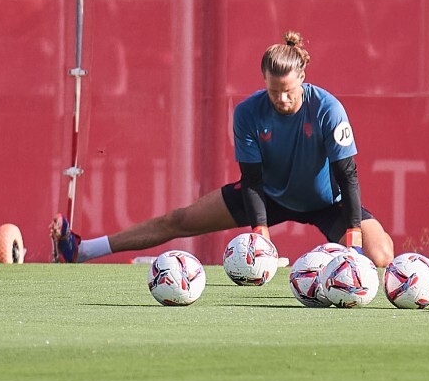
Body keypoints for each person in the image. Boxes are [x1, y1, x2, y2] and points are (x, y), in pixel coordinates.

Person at [50, 31, 394, 267]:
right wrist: (260, 234)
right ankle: (80, 250)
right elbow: (253, 180)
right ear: (264, 81)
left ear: (302, 77)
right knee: (179, 219)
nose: (281, 98)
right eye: (274, 91)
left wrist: (352, 240)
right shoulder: (247, 112)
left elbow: (347, 175)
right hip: (268, 195)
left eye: (288, 90)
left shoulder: (327, 109)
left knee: (378, 256)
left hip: (327, 202)